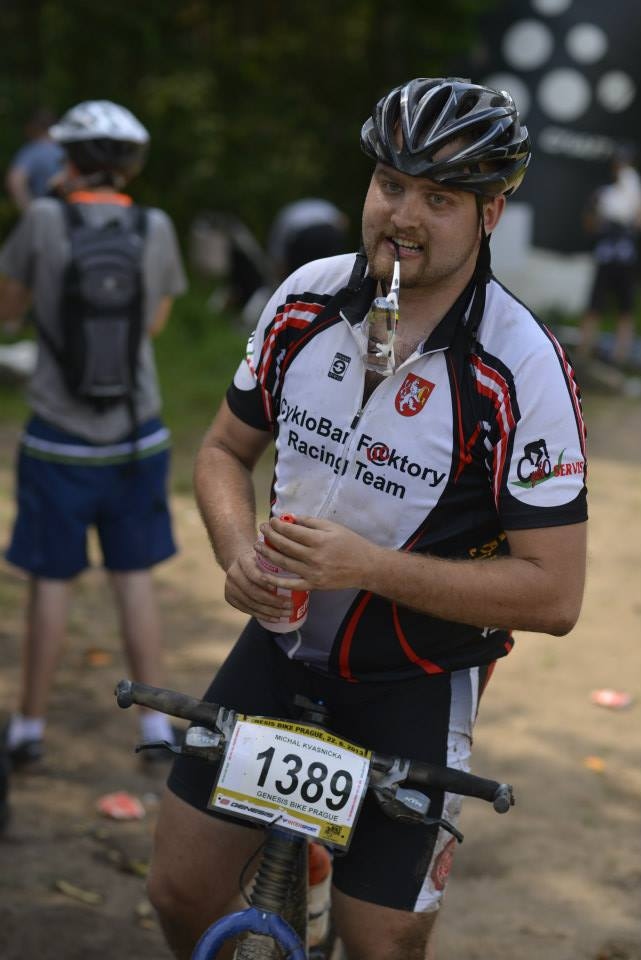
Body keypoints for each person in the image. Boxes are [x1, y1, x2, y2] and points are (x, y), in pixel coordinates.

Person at [147, 78, 588, 960]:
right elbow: (223, 449)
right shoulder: (303, 298)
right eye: (391, 184)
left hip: (416, 678)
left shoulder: (520, 366)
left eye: (440, 198)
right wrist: (236, 554)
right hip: (278, 649)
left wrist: (369, 567)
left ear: (490, 213)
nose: (404, 215)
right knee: (180, 892)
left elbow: (554, 595)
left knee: (379, 946)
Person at [0, 100, 187, 768]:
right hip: (137, 437)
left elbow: (9, 312)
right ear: (130, 165)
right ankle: (156, 727)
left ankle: (28, 727)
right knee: (133, 577)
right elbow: (154, 324)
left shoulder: (43, 220)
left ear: (67, 159)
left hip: (58, 438)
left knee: (51, 582)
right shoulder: (155, 226)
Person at [578, 147, 641, 367]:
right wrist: (601, 217)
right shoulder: (604, 193)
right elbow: (589, 223)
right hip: (606, 256)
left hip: (626, 258)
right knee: (594, 306)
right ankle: (583, 354)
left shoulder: (635, 190)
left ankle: (619, 358)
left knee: (625, 310)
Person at [267, 196, 350, 283]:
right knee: (334, 268)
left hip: (304, 236)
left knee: (303, 273)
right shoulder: (324, 205)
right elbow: (343, 221)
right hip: (328, 233)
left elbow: (278, 246)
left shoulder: (287, 212)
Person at [5, 108, 65, 210]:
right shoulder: (66, 149)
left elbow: (15, 181)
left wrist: (28, 209)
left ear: (34, 127)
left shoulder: (32, 151)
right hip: (73, 211)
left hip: (45, 211)